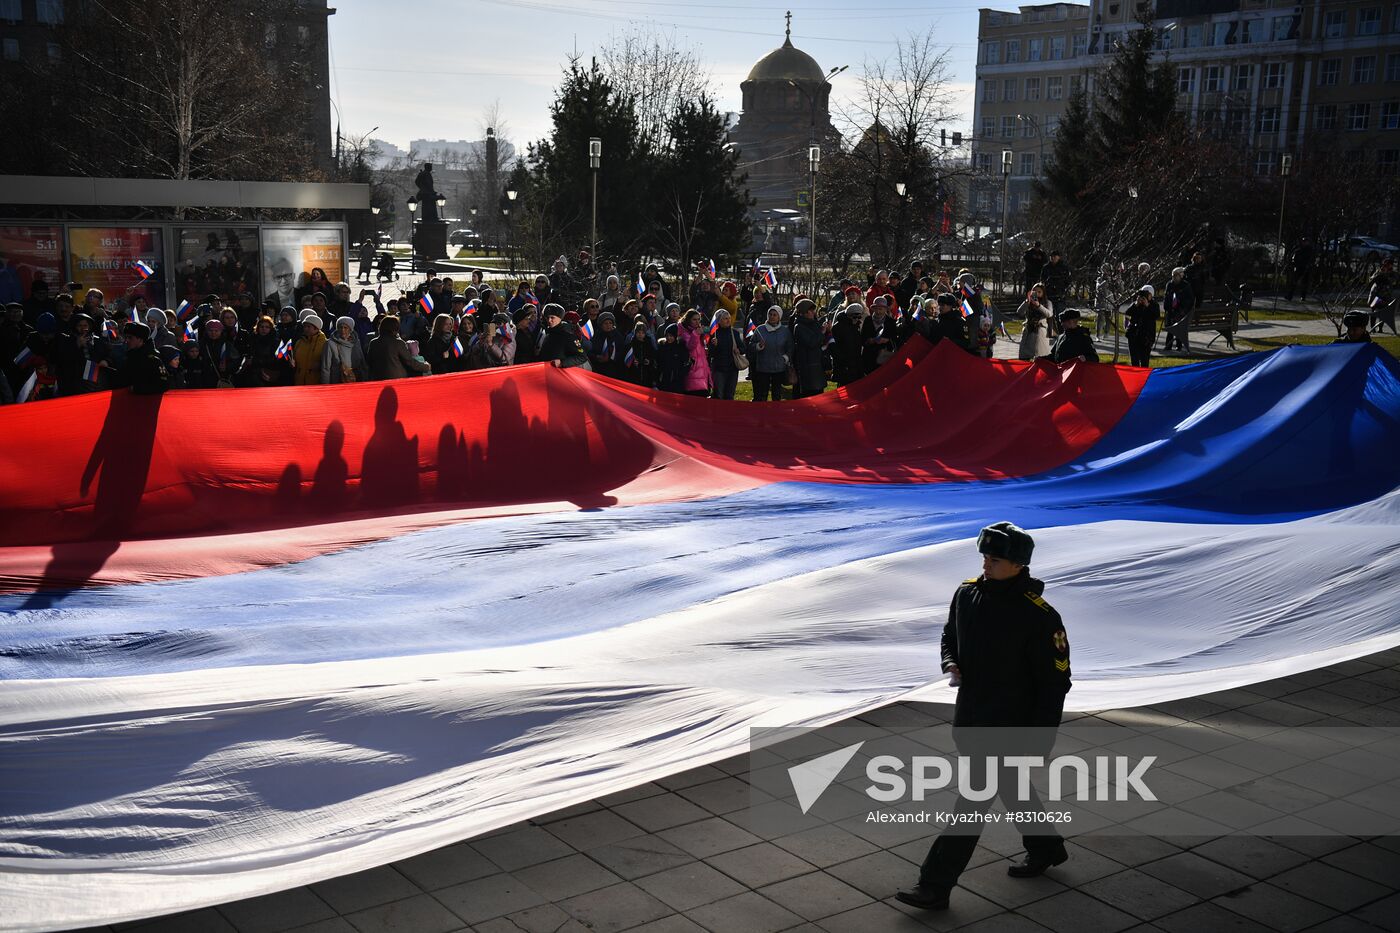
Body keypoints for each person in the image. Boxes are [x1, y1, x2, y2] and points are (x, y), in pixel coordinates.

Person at [897, 522, 1071, 911]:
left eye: (995, 559)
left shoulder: (1039, 616)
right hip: (973, 717)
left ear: (1018, 564)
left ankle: (934, 885)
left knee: (971, 805)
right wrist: (950, 662)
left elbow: (1055, 684)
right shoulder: (967, 594)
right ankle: (1047, 848)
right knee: (1012, 786)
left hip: (1011, 726)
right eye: (985, 557)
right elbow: (949, 636)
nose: (987, 564)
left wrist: (1041, 740)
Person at [107, 322, 168, 395]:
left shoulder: (153, 359)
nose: (127, 341)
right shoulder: (128, 355)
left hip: (145, 403)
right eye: (126, 337)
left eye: (130, 337)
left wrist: (137, 388)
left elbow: (163, 384)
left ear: (140, 339)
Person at [748, 305, 791, 402]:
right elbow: (751, 346)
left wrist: (786, 357)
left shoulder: (785, 331)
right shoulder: (760, 329)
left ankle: (775, 414)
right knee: (762, 394)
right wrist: (758, 346)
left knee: (777, 394)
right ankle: (763, 414)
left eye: (774, 315)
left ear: (779, 317)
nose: (772, 316)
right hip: (763, 367)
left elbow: (790, 346)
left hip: (779, 367)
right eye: (770, 314)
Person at [367, 315, 431, 380]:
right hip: (396, 378)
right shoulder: (398, 343)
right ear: (395, 329)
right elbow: (410, 362)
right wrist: (426, 366)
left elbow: (369, 361)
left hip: (378, 378)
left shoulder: (373, 342)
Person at [791, 298, 827, 398]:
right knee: (809, 395)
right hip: (807, 367)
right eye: (811, 310)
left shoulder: (814, 323)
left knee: (819, 395)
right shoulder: (799, 326)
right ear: (805, 312)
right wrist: (822, 332)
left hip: (817, 365)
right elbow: (811, 342)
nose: (814, 313)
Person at [539, 303, 590, 369]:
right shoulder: (547, 334)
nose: (549, 320)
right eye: (547, 317)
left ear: (560, 318)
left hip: (561, 375)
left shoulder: (568, 335)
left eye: (552, 317)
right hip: (547, 373)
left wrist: (562, 362)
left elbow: (582, 357)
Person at [707, 309, 744, 400]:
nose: (728, 320)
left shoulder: (734, 333)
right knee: (718, 394)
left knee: (729, 394)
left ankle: (729, 413)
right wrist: (713, 345)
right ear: (719, 321)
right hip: (719, 369)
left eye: (729, 318)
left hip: (732, 369)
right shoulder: (714, 334)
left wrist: (739, 350)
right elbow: (710, 354)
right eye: (725, 319)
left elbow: (743, 348)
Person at [322, 316, 368, 383]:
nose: (342, 330)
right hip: (338, 381)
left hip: (356, 379)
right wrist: (325, 386)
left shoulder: (356, 342)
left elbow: (362, 362)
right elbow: (326, 367)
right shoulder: (330, 343)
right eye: (340, 327)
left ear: (350, 329)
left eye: (345, 328)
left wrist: (365, 379)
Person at [676, 309, 712, 396]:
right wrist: (696, 334)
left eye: (699, 319)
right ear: (688, 320)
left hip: (702, 372)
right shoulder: (685, 333)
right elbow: (690, 346)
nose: (697, 322)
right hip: (693, 373)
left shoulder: (699, 332)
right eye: (694, 319)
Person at [1162, 266, 1196, 354]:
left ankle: (1179, 345)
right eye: (1173, 276)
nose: (1174, 277)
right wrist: (1167, 306)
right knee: (1170, 325)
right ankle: (1168, 345)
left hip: (1181, 311)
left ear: (1181, 276)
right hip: (1171, 310)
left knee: (1178, 326)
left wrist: (1181, 308)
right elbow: (1166, 297)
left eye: (1176, 275)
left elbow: (1189, 300)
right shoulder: (1169, 284)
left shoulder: (1185, 285)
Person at [1124, 286, 1160, 368]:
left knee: (1144, 361)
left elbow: (1156, 315)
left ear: (1151, 295)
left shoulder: (1154, 305)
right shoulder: (1136, 304)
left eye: (1147, 294)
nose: (1145, 297)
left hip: (1146, 337)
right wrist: (1136, 304)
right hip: (1134, 335)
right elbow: (1127, 313)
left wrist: (1148, 305)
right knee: (1134, 360)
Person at [830, 304, 866, 387]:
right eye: (854, 317)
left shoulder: (856, 326)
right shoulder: (838, 327)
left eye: (859, 317)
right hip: (844, 365)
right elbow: (834, 347)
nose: (857, 319)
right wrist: (843, 361)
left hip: (855, 364)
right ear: (848, 315)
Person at [861, 299, 898, 374]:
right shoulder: (868, 320)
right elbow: (862, 338)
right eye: (876, 309)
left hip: (883, 357)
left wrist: (887, 340)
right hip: (869, 357)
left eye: (880, 309)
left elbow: (895, 339)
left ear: (885, 309)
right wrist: (869, 340)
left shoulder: (890, 322)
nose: (878, 311)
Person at [1017, 289, 1051, 360]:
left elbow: (1049, 314)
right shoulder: (1028, 302)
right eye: (1035, 292)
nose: (1037, 294)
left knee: (1040, 358)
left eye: (1039, 292)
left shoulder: (1047, 302)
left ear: (1043, 293)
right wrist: (1027, 301)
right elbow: (1019, 312)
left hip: (1039, 334)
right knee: (1025, 358)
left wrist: (1039, 306)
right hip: (1028, 332)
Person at [293, 314, 327, 385]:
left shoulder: (325, 343)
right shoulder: (299, 342)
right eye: (305, 326)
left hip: (316, 382)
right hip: (299, 382)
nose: (305, 329)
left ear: (316, 328)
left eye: (308, 326)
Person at [1370, 258, 1396, 335]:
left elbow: (1393, 281)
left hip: (1386, 296)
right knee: (1373, 310)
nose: (1385, 266)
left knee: (1383, 312)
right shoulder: (1379, 271)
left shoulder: (1393, 273)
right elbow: (1371, 279)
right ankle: (1372, 328)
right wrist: (1379, 273)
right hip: (1376, 294)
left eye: (1387, 264)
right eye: (1384, 264)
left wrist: (1384, 274)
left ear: (1391, 265)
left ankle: (1380, 328)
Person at [1285, 238, 1315, 302]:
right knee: (1294, 281)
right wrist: (1294, 263)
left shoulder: (1309, 250)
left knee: (1304, 283)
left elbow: (1311, 259)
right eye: (1304, 241)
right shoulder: (1299, 249)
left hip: (1305, 268)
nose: (1304, 243)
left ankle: (1303, 296)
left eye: (1306, 241)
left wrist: (1309, 265)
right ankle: (1290, 296)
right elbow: (1295, 257)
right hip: (1299, 267)